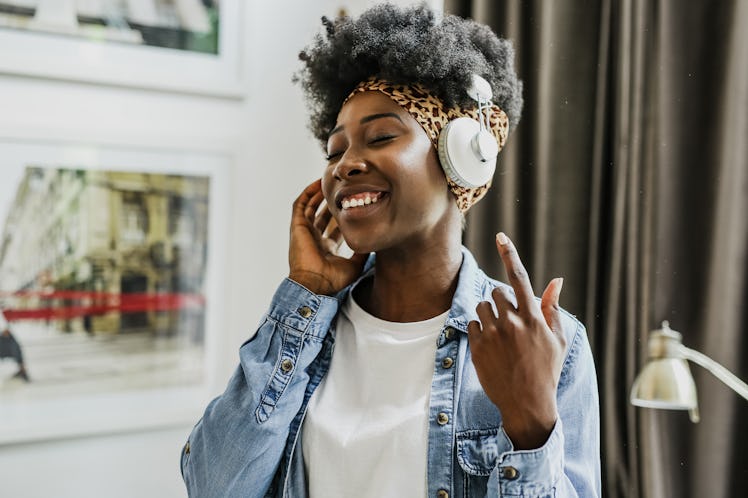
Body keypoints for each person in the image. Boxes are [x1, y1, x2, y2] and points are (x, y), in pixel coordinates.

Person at [181, 4, 600, 497]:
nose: (346, 165)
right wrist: (306, 294)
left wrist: (531, 427)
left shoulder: (547, 343)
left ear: (460, 158)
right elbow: (212, 486)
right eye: (335, 150)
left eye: (381, 136)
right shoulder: (308, 333)